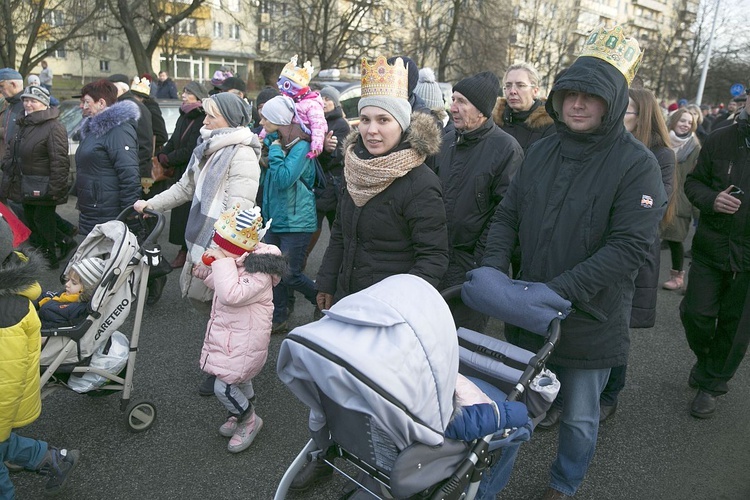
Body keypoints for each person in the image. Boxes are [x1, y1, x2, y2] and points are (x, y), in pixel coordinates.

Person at [480, 26, 665, 499]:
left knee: (580, 418)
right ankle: (486, 487)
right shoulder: (542, 151)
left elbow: (628, 248)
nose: (578, 104)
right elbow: (507, 215)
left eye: (592, 96)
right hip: (526, 310)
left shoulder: (636, 164)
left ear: (613, 101)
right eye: (570, 94)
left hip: (589, 318)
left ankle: (564, 484)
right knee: (513, 409)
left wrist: (559, 289)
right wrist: (497, 272)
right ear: (558, 99)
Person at [134, 92, 260, 308]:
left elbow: (237, 214)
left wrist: (214, 255)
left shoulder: (242, 154)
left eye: (212, 116)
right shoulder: (208, 148)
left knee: (221, 313)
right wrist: (153, 204)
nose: (205, 121)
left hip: (221, 250)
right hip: (205, 244)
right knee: (209, 311)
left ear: (229, 119)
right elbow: (185, 187)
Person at [597, 88, 677, 422]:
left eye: (625, 111)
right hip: (599, 247)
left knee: (617, 326)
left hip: (635, 253)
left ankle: (609, 394)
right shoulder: (608, 147)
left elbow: (653, 206)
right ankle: (567, 396)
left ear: (641, 116)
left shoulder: (660, 155)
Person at [432, 70, 523, 330]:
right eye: (452, 99)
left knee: (462, 344)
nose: (453, 107)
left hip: (471, 267)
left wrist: (479, 261)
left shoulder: (506, 149)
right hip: (436, 258)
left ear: (482, 110)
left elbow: (505, 213)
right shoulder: (447, 141)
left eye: (461, 101)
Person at [192, 205, 287, 452]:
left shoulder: (259, 272)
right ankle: (240, 411)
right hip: (233, 337)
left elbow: (231, 294)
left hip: (244, 342)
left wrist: (221, 264)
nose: (214, 251)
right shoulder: (238, 261)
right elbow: (224, 286)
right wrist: (207, 274)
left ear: (236, 250)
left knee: (222, 386)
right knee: (239, 380)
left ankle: (248, 418)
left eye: (220, 248)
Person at [0, 213, 81, 498]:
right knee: (3, 446)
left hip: (1, 401)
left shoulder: (7, 313)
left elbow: (6, 383)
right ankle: (52, 459)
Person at [680, 90, 750, 419]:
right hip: (712, 247)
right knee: (696, 314)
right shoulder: (721, 138)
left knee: (736, 328)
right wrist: (712, 199)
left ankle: (711, 385)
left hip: (748, 260)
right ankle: (707, 359)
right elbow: (693, 184)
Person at [258, 95, 318, 332]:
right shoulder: (275, 141)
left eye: (265, 117)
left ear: (279, 119)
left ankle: (321, 299)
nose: (261, 121)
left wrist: (273, 154)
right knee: (273, 272)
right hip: (274, 219)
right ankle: (279, 317)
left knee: (291, 274)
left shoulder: (301, 146)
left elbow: (283, 180)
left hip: (297, 222)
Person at [0, 85, 72, 269]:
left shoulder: (53, 127)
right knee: (32, 221)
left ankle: (49, 259)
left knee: (43, 222)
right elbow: (11, 153)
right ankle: (56, 246)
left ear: (43, 103)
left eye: (33, 100)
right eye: (26, 99)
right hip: (25, 184)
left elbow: (60, 161)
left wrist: (56, 189)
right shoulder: (23, 124)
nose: (28, 104)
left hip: (44, 185)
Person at [74, 79, 141, 236]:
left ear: (101, 103)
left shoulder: (118, 131)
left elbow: (129, 175)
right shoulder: (93, 129)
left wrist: (128, 214)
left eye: (86, 102)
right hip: (93, 209)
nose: (82, 106)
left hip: (108, 212)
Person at [153, 81, 207, 269]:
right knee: (178, 214)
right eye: (183, 92)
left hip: (191, 173)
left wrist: (169, 158)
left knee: (187, 214)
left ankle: (186, 251)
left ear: (198, 97)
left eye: (188, 92)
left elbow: (191, 149)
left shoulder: (201, 118)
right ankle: (183, 251)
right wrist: (162, 153)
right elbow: (174, 140)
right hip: (178, 173)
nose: (183, 95)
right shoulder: (183, 115)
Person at [304, 86, 351, 264]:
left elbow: (335, 157)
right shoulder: (315, 120)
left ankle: (301, 265)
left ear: (335, 103)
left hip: (331, 185)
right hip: (322, 184)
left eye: (327, 98)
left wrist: (321, 150)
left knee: (323, 227)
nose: (323, 101)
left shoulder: (340, 125)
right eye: (321, 97)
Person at [661, 107, 701, 292]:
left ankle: (677, 276)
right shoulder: (663, 140)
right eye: (682, 120)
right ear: (674, 120)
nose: (685, 125)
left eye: (689, 122)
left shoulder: (695, 148)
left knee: (676, 240)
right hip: (660, 196)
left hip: (681, 200)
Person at [492, 62, 555, 152]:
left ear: (535, 91)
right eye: (508, 85)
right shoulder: (494, 122)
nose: (512, 91)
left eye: (520, 85)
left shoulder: (548, 126)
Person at [275, 55, 327, 158]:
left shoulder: (312, 104)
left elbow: (318, 126)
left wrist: (316, 147)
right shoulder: (290, 101)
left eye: (286, 86)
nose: (282, 91)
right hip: (288, 136)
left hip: (302, 138)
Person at [107, 74, 154, 188]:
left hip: (133, 172)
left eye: (112, 88)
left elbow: (144, 144)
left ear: (123, 89)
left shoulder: (133, 107)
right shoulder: (118, 105)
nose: (109, 92)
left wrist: (131, 171)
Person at [37, 257, 106, 328]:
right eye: (68, 279)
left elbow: (62, 327)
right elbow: (51, 295)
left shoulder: (79, 309)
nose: (67, 284)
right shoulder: (68, 295)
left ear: (86, 288)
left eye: (74, 283)